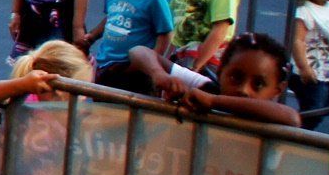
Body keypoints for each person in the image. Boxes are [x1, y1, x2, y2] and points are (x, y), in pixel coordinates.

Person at [124, 32, 300, 127]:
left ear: (278, 90)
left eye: (258, 84)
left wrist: (213, 101)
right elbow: (138, 51)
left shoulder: (272, 116)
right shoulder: (204, 87)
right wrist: (159, 74)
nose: (244, 90)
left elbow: (292, 118)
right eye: (235, 78)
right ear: (221, 71)